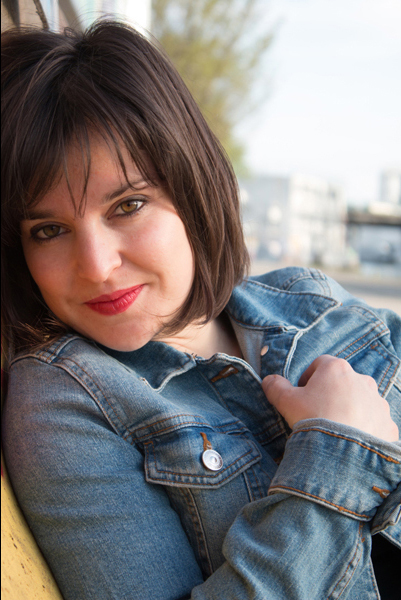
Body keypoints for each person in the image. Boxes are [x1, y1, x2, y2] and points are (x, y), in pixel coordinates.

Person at [1, 20, 400, 600]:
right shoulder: (67, 399)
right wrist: (338, 452)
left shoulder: (314, 302)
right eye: (49, 230)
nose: (96, 265)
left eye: (128, 205)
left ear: (191, 189)